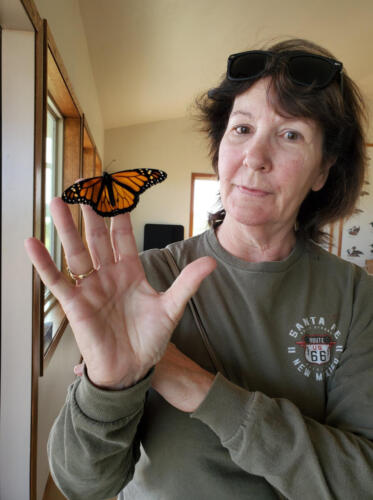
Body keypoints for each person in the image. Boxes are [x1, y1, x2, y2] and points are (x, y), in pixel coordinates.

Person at [25, 38, 373, 500]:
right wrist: (108, 387)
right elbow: (82, 485)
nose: (254, 157)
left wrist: (197, 386)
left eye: (290, 134)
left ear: (323, 170)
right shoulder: (143, 281)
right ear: (220, 147)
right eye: (242, 128)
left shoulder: (354, 296)